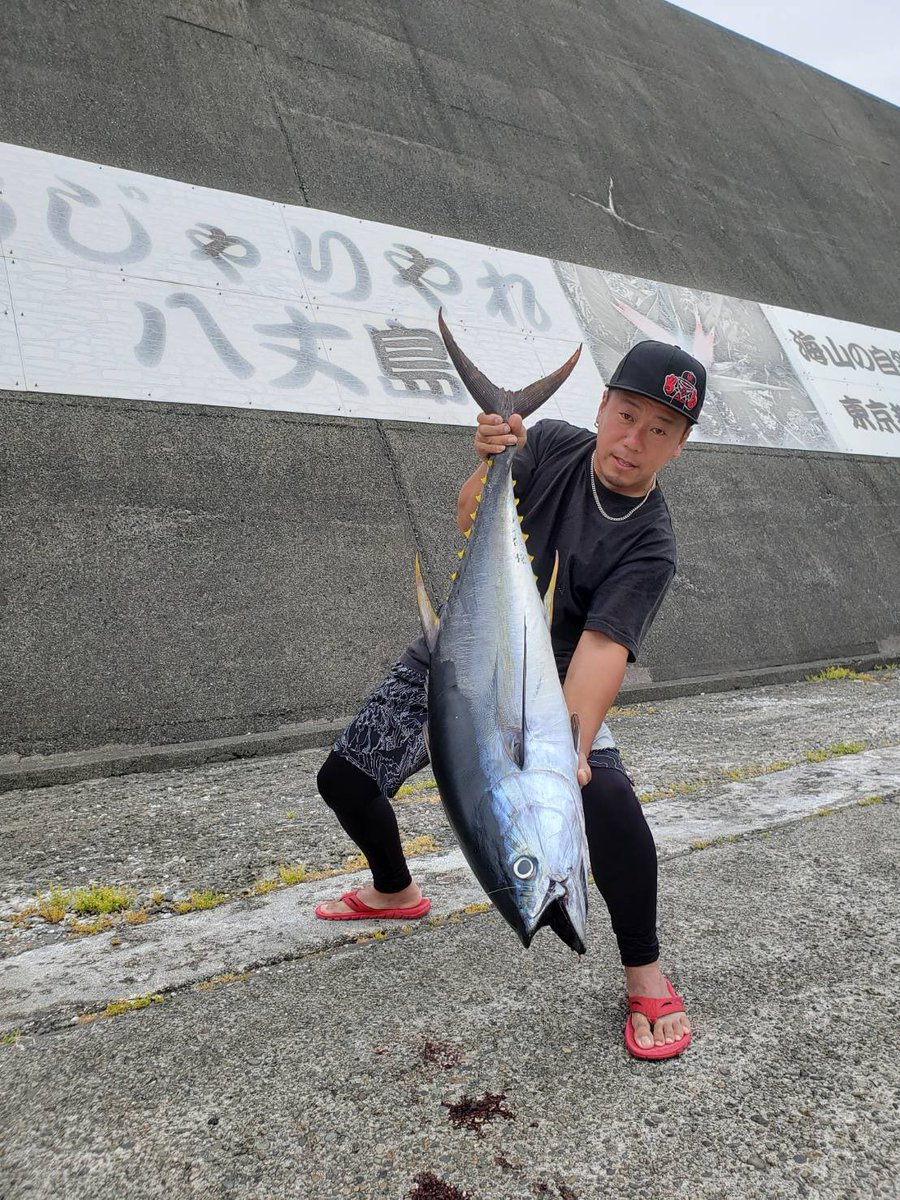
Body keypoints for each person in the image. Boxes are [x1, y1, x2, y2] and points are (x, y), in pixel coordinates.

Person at [315, 339, 706, 1061]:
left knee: (609, 804)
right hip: (461, 653)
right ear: (602, 407)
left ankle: (646, 972)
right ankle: (397, 891)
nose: (633, 440)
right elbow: (470, 519)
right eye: (627, 415)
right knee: (342, 781)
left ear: (679, 446)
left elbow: (601, 651)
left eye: (659, 431)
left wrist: (570, 755)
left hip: (549, 688)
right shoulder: (553, 441)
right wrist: (492, 457)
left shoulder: (651, 544)